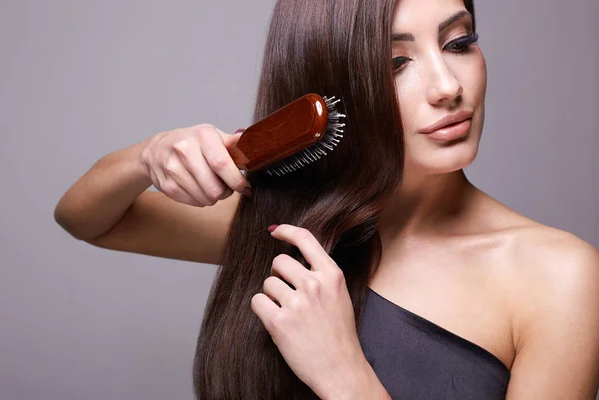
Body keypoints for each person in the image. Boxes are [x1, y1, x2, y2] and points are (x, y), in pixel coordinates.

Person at [54, 0, 599, 398]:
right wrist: (146, 155)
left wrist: (345, 376)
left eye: (459, 42)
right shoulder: (290, 226)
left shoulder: (559, 277)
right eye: (395, 63)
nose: (447, 86)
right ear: (330, 90)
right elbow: (88, 219)